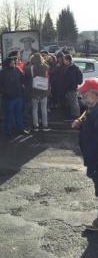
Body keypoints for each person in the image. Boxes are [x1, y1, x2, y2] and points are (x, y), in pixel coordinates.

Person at [72, 79, 98, 230]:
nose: (81, 95)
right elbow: (85, 114)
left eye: (84, 93)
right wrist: (79, 121)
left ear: (94, 94)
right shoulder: (92, 107)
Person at [0, 57, 26, 136]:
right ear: (8, 63)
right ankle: (8, 131)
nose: (13, 63)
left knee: (18, 114)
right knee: (8, 115)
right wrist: (5, 92)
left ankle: (20, 129)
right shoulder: (2, 72)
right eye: (12, 62)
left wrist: (21, 88)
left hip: (18, 96)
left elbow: (23, 78)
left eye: (14, 62)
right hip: (8, 98)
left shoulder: (17, 70)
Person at [26, 53, 50, 130]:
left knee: (35, 109)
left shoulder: (30, 68)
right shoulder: (46, 67)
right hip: (43, 90)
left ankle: (36, 125)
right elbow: (48, 78)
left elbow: (28, 79)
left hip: (34, 90)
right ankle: (45, 125)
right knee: (44, 109)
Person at [63, 54, 83, 120]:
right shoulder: (72, 67)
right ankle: (73, 116)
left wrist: (69, 86)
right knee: (72, 103)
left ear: (68, 60)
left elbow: (71, 79)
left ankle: (76, 117)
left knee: (74, 103)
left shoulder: (72, 68)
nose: (63, 61)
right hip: (71, 88)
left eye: (64, 59)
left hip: (72, 88)